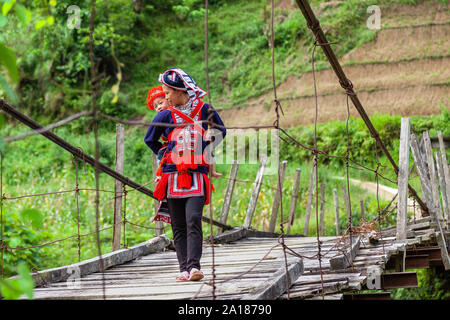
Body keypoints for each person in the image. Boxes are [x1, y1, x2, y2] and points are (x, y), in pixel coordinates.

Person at [144, 68, 226, 282]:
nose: (166, 97)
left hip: (197, 174)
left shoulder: (204, 110)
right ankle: (183, 269)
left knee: (193, 219)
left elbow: (221, 131)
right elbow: (149, 139)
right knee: (178, 224)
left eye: (168, 92)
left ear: (180, 91)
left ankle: (194, 266)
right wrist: (164, 153)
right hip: (172, 177)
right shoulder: (165, 115)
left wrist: (206, 146)